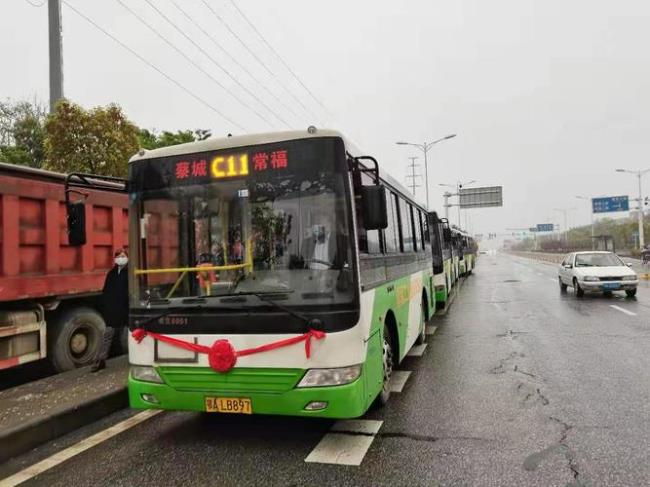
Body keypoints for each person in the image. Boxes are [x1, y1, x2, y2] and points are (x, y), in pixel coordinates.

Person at [91, 248, 129, 372]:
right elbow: (106, 292)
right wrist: (106, 307)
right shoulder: (111, 274)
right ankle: (100, 360)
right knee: (108, 334)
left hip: (127, 308)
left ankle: (135, 358)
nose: (121, 258)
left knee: (131, 334)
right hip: (113, 309)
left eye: (123, 256)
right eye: (118, 256)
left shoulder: (130, 273)